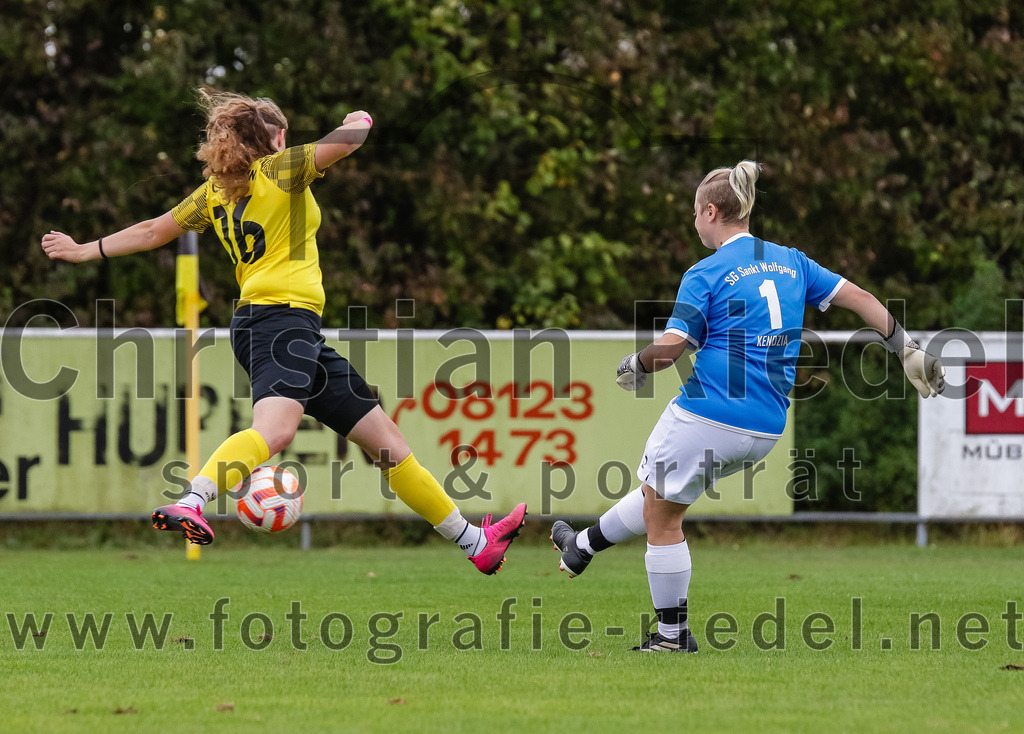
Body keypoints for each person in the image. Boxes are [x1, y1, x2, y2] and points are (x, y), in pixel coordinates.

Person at [41, 90, 526, 575]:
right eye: (284, 132)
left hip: (288, 328)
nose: (289, 139)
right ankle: (193, 499)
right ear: (273, 138)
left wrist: (85, 249)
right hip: (279, 323)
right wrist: (360, 116)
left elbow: (153, 231)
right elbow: (353, 135)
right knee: (275, 431)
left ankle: (473, 541)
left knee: (390, 446)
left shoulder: (217, 192)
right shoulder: (281, 170)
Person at [550, 161, 946, 651]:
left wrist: (636, 365)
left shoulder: (705, 272)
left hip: (710, 412)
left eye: (695, 213)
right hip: (765, 425)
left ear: (711, 212)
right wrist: (906, 348)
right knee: (660, 496)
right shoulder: (791, 261)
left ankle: (672, 638)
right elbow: (860, 298)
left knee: (664, 517)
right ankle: (582, 546)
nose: (694, 222)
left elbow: (673, 346)